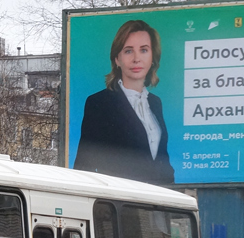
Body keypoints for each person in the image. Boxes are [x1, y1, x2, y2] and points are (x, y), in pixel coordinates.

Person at [73, 20, 175, 185]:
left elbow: (163, 162)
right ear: (117, 59)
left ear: (153, 58)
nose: (136, 59)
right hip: (119, 205)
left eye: (143, 50)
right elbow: (85, 165)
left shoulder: (155, 103)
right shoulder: (99, 103)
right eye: (128, 51)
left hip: (157, 202)